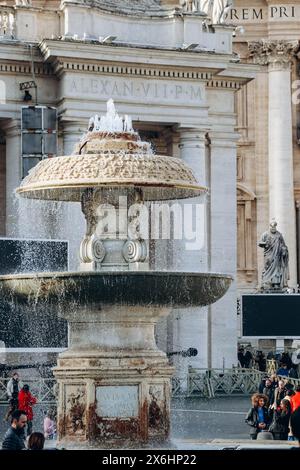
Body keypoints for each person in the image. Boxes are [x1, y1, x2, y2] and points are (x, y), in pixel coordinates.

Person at [258, 219, 289, 291]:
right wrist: (265, 244)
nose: (273, 228)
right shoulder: (265, 234)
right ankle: (266, 282)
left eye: (274, 227)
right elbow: (260, 243)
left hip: (277, 255)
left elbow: (283, 245)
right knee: (267, 267)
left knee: (277, 269)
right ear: (270, 226)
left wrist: (284, 250)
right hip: (269, 254)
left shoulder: (279, 235)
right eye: (272, 227)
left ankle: (276, 283)